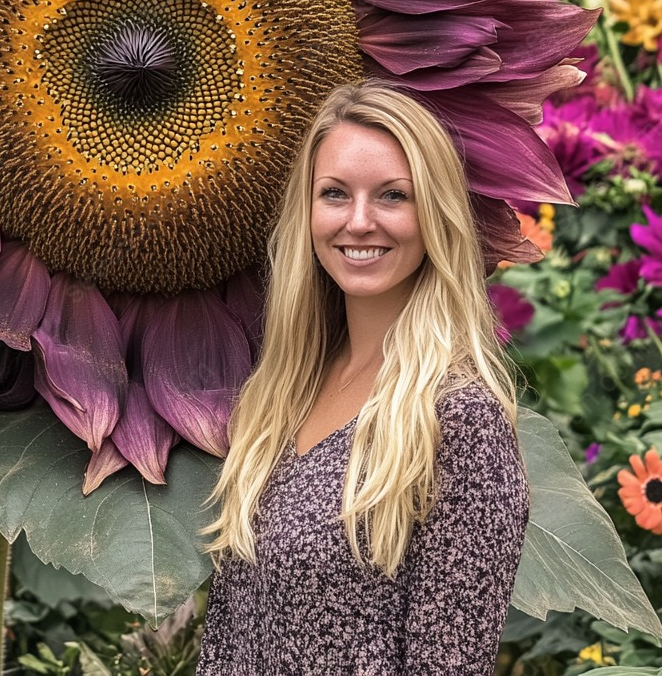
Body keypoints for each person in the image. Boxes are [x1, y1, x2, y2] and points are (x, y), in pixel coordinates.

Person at [197, 82, 529, 676]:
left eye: (393, 196)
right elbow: (228, 638)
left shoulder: (458, 419)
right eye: (334, 194)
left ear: (435, 214)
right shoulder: (281, 395)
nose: (359, 221)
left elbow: (448, 663)